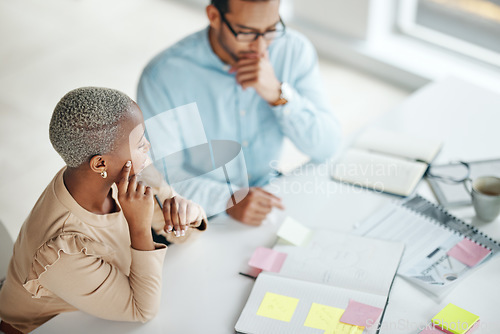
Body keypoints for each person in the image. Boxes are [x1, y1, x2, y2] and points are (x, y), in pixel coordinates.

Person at [0, 87, 207, 334]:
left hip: (96, 302)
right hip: (50, 326)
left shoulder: (116, 175)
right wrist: (139, 228)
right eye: (139, 143)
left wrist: (188, 211)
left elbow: (184, 234)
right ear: (100, 163)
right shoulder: (61, 250)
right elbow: (143, 311)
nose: (149, 146)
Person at [137, 0, 342, 226]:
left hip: (270, 193)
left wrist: (278, 94)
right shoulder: (162, 77)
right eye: (246, 33)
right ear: (214, 16)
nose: (261, 48)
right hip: (197, 214)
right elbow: (161, 177)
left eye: (271, 30)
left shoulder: (294, 49)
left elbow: (328, 146)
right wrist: (228, 199)